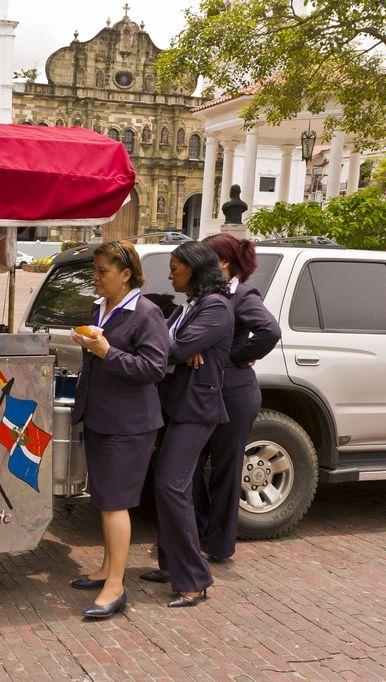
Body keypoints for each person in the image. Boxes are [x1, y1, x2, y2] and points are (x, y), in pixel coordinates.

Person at [69, 241, 169, 619]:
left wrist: (107, 352)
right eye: (94, 271)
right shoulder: (102, 307)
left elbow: (154, 369)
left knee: (115, 503)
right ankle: (107, 569)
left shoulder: (146, 313)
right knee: (104, 497)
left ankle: (116, 586)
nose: (94, 278)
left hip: (129, 423)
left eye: (102, 272)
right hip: (100, 416)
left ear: (126, 274)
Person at [141, 241, 233, 607]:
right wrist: (179, 343)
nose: (169, 274)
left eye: (176, 268)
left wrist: (181, 345)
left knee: (171, 486)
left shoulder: (216, 307)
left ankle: (194, 578)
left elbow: (170, 348)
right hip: (177, 404)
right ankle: (170, 565)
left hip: (197, 408)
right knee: (171, 486)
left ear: (194, 270)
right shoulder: (192, 305)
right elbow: (170, 343)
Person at [194, 234, 281, 562]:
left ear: (224, 262)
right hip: (204, 392)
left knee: (225, 471)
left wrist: (233, 354)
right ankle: (197, 535)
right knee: (188, 467)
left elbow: (269, 331)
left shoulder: (241, 294)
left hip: (234, 393)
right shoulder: (203, 294)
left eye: (206, 256)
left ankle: (218, 544)